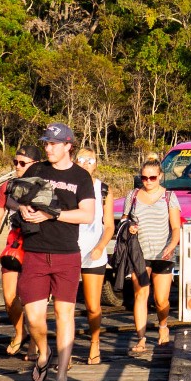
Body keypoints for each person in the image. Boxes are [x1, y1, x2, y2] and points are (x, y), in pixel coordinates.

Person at [13, 123, 98, 381]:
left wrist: (53, 215)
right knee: (34, 317)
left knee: (64, 315)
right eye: (46, 143)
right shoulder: (37, 169)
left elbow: (87, 215)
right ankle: (43, 351)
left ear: (68, 146)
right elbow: (11, 198)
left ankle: (62, 377)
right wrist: (23, 206)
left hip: (66, 253)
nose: (48, 148)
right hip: (36, 251)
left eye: (53, 144)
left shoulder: (81, 177)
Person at [125, 156, 184, 357]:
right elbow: (124, 221)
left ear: (160, 176)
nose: (148, 181)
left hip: (163, 252)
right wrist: (129, 226)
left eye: (152, 178)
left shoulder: (169, 197)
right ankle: (141, 338)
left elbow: (176, 227)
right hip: (139, 252)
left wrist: (171, 245)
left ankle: (163, 325)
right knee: (140, 295)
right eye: (144, 178)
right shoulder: (132, 195)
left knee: (161, 300)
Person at [0, 149, 34, 355]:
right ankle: (20, 333)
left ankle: (35, 344)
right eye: (15, 162)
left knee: (32, 298)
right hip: (14, 245)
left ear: (35, 164)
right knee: (10, 297)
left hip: (38, 247)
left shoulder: (45, 187)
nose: (17, 166)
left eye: (23, 163)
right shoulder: (7, 187)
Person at [76, 148, 112, 366]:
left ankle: (95, 341)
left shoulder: (104, 190)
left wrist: (100, 246)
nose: (85, 164)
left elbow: (109, 226)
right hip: (68, 251)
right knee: (65, 305)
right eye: (80, 159)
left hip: (93, 253)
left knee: (92, 306)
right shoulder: (67, 187)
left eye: (90, 160)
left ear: (96, 164)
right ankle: (64, 349)